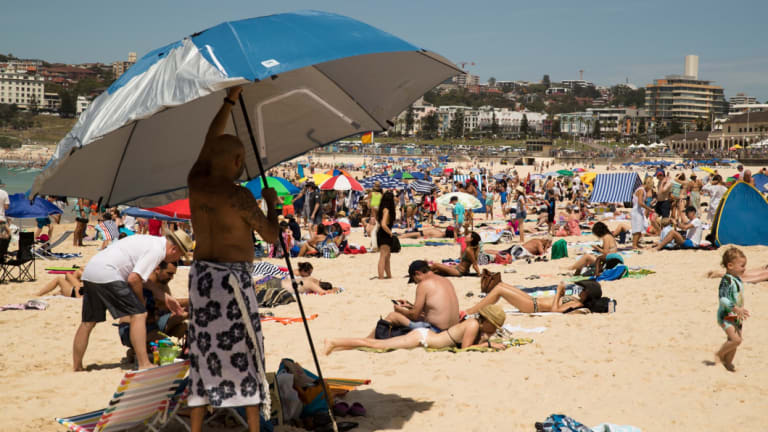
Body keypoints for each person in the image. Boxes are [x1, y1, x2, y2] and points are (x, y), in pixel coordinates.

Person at [187, 86, 279, 432]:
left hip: (201, 277)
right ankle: (254, 428)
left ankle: (197, 425)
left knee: (201, 349)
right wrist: (272, 204)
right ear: (238, 162)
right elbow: (270, 236)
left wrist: (228, 102)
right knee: (246, 350)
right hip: (232, 280)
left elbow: (209, 142)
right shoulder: (238, 196)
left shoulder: (196, 181)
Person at [73, 231, 190, 372]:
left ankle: (77, 366)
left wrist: (163, 296)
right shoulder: (157, 250)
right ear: (174, 249)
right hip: (109, 273)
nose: (178, 258)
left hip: (91, 271)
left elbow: (140, 277)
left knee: (88, 322)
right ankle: (144, 363)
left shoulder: (149, 241)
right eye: (179, 256)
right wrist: (140, 304)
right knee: (139, 315)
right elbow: (134, 279)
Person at [325, 304, 506, 355]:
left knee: (374, 344)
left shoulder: (473, 323)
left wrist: (486, 340)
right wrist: (488, 344)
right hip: (423, 338)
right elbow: (466, 349)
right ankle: (334, 342)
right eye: (494, 325)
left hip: (426, 336)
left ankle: (340, 346)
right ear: (488, 321)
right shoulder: (473, 325)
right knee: (376, 345)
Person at [118, 261, 188, 360]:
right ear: (157, 269)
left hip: (153, 324)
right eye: (169, 274)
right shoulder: (144, 283)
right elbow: (165, 303)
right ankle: (136, 351)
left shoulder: (163, 283)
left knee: (183, 326)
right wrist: (192, 302)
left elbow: (168, 308)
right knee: (166, 347)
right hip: (129, 329)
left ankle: (140, 351)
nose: (171, 277)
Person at [376, 260, 460, 334]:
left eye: (414, 280)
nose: (416, 283)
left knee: (393, 316)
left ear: (417, 273)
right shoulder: (446, 280)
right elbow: (435, 309)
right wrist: (410, 306)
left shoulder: (424, 284)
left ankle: (369, 339)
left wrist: (400, 310)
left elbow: (414, 315)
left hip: (437, 331)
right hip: (453, 331)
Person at [465, 280, 603, 314]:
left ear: (588, 294)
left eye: (584, 289)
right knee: (501, 285)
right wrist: (561, 294)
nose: (581, 290)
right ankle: (473, 310)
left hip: (533, 306)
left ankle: (470, 311)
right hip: (532, 301)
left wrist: (557, 292)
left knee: (500, 290)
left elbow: (556, 311)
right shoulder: (576, 300)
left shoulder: (578, 306)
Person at [715, 248, 750, 372]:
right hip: (725, 315)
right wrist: (735, 308)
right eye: (742, 266)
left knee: (735, 342)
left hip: (736, 315)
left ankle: (727, 362)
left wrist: (740, 310)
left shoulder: (737, 279)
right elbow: (723, 299)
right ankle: (719, 354)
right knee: (736, 339)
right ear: (730, 265)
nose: (744, 268)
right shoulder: (726, 281)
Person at [630, 177, 655, 249]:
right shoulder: (641, 190)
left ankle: (636, 243)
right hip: (636, 211)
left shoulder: (642, 189)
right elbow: (640, 202)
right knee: (637, 228)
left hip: (638, 210)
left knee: (640, 227)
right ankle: (634, 244)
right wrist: (649, 209)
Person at [376, 191, 396, 279]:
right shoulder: (387, 210)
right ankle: (381, 277)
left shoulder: (381, 209)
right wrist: (390, 233)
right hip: (385, 233)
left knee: (387, 256)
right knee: (384, 256)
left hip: (381, 232)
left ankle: (389, 275)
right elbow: (384, 224)